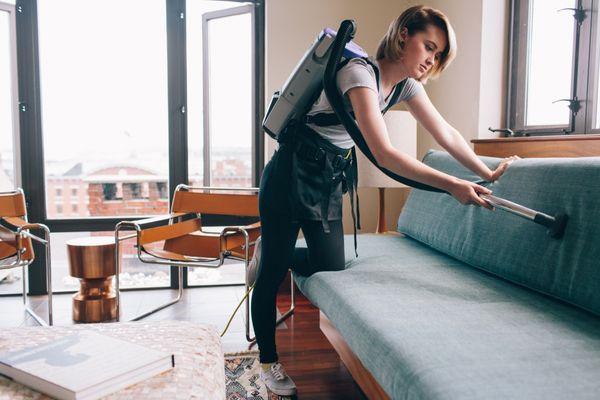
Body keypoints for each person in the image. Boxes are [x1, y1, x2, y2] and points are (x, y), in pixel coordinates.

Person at [249, 5, 519, 396]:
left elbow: (446, 132)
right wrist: (452, 185)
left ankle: (269, 251)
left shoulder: (406, 87)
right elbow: (384, 153)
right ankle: (269, 363)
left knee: (329, 263)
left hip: (325, 181)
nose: (431, 59)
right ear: (404, 35)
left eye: (438, 54)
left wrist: (485, 172)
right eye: (428, 45)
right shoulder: (358, 74)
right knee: (272, 273)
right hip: (289, 174)